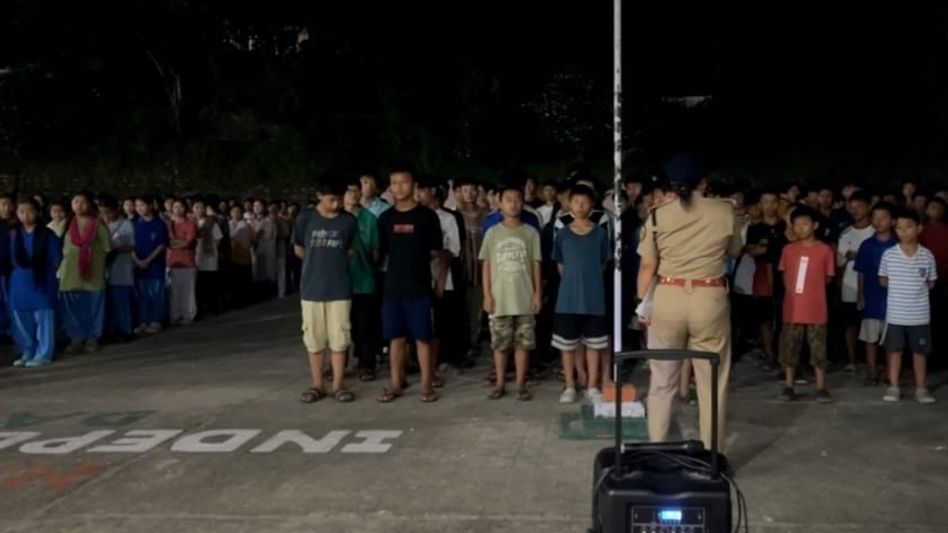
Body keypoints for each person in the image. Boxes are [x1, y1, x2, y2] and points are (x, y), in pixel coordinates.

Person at [636, 154, 743, 451]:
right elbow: (735, 250)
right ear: (704, 183)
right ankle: (712, 456)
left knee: (662, 381)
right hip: (709, 297)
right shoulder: (724, 211)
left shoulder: (658, 215)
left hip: (668, 298)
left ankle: (657, 448)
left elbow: (648, 266)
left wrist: (642, 305)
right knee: (712, 382)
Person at [376, 165, 443, 403]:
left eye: (404, 182)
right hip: (393, 287)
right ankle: (395, 383)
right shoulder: (385, 218)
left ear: (414, 186)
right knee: (396, 338)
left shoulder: (427, 217)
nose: (398, 188)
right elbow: (380, 253)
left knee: (423, 337)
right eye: (394, 183)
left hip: (420, 286)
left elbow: (438, 252)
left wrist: (440, 280)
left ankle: (426, 383)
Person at [293, 181, 358, 403]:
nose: (337, 203)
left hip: (339, 288)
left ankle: (339, 383)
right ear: (319, 195)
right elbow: (299, 248)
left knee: (340, 337)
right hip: (311, 289)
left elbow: (351, 250)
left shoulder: (348, 220)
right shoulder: (305, 218)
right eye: (332, 199)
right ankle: (317, 384)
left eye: (340, 198)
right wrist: (316, 264)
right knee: (314, 337)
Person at [479, 184, 542, 400]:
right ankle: (499, 383)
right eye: (508, 199)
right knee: (500, 344)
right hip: (500, 299)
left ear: (523, 203)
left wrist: (537, 294)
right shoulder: (492, 233)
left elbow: (536, 265)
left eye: (517, 199)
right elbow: (486, 265)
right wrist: (487, 295)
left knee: (523, 344)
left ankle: (520, 385)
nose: (513, 204)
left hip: (524, 298)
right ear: (499, 204)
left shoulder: (530, 232)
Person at [553, 184, 611, 403]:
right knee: (568, 346)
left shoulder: (601, 234)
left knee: (594, 345)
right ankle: (569, 385)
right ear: (569, 204)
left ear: (592, 205)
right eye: (576, 202)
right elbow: (560, 266)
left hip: (594, 298)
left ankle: (592, 386)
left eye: (585, 202)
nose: (580, 206)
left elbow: (603, 264)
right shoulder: (563, 235)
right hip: (567, 300)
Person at [776, 207, 836, 402]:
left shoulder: (824, 250)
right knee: (790, 349)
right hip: (792, 309)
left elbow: (828, 278)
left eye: (805, 224)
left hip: (816, 308)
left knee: (818, 349)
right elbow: (785, 276)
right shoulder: (788, 250)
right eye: (797, 225)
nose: (801, 229)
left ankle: (820, 387)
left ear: (815, 225)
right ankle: (788, 385)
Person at [879, 210, 937, 404]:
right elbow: (883, 279)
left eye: (908, 227)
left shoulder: (927, 255)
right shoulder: (889, 255)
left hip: (919, 315)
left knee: (919, 352)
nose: (903, 232)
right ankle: (893, 386)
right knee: (894, 351)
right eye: (899, 228)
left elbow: (931, 282)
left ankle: (921, 388)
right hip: (896, 315)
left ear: (919, 228)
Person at [9, 198, 61, 368]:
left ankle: (44, 353)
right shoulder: (14, 234)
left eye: (30, 211)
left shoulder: (47, 235)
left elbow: (56, 260)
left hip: (42, 281)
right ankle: (27, 351)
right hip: (19, 282)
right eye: (21, 211)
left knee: (44, 319)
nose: (26, 215)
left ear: (38, 213)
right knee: (22, 320)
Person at [59, 191, 112, 353]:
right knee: (72, 307)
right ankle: (76, 338)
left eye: (83, 202)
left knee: (93, 307)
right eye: (75, 201)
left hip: (93, 273)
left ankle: (92, 338)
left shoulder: (98, 224)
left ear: (90, 204)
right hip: (70, 274)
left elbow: (108, 247)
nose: (79, 205)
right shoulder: (67, 224)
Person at [854, 202, 898, 386]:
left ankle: (890, 373)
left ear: (893, 221)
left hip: (894, 299)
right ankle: (871, 371)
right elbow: (861, 272)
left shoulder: (898, 244)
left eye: (883, 217)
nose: (879, 221)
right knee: (870, 338)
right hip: (872, 297)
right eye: (875, 217)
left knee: (891, 339)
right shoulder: (866, 245)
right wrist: (860, 296)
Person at [343, 180, 381, 382]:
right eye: (349, 190)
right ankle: (340, 365)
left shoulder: (369, 219)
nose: (353, 194)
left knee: (364, 325)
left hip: (364, 281)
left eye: (357, 190)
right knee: (342, 327)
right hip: (340, 283)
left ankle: (367, 363)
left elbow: (376, 252)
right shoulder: (337, 218)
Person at [745, 190, 787, 370]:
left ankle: (786, 354)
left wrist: (765, 248)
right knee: (765, 318)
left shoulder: (786, 226)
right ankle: (769, 353)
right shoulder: (754, 228)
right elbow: (752, 251)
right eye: (766, 202)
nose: (770, 205)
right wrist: (764, 249)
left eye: (773, 201)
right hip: (762, 277)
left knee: (785, 317)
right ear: (760, 205)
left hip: (785, 276)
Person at [835, 191, 874, 374]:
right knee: (850, 324)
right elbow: (841, 260)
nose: (855, 210)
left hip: (871, 286)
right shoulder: (846, 232)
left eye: (859, 206)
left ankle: (871, 361)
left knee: (871, 325)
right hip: (849, 284)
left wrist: (859, 257)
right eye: (852, 207)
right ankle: (851, 360)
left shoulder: (875, 231)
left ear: (868, 207)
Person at [455, 178, 488, 363]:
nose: (469, 194)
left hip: (482, 267)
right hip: (463, 267)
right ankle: (464, 342)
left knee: (477, 306)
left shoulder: (486, 215)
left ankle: (474, 342)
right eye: (465, 190)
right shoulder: (456, 215)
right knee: (463, 307)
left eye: (472, 190)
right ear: (458, 192)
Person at [132, 196, 169, 334]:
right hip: (138, 265)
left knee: (156, 292)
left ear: (150, 205)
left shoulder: (159, 224)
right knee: (142, 294)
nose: (139, 208)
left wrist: (148, 260)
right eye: (137, 206)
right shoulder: (135, 224)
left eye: (142, 205)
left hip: (155, 265)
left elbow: (162, 244)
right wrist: (137, 260)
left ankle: (156, 320)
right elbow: (130, 245)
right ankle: (143, 321)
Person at [101, 197, 136, 342]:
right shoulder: (101, 225)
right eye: (103, 212)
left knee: (121, 301)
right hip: (104, 269)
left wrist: (115, 250)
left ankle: (125, 330)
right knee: (107, 302)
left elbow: (131, 245)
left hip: (121, 267)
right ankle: (109, 330)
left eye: (108, 212)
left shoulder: (126, 224)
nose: (106, 216)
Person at [919, 197, 948, 370]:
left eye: (939, 207)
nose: (936, 209)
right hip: (927, 283)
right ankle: (929, 359)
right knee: (929, 322)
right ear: (926, 210)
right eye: (932, 206)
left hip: (945, 281)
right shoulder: (922, 231)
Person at [166, 199, 198, 325]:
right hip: (172, 262)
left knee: (188, 291)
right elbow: (167, 243)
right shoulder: (169, 224)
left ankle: (188, 315)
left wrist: (176, 243)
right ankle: (175, 315)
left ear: (185, 209)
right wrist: (180, 242)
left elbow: (188, 242)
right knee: (174, 291)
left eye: (180, 207)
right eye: (175, 207)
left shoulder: (190, 224)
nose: (177, 209)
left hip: (187, 262)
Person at [194, 198, 223, 318]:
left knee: (210, 283)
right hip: (196, 256)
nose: (198, 210)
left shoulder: (212, 222)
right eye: (196, 207)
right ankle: (199, 308)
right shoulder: (192, 222)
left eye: (201, 207)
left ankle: (213, 308)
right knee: (198, 285)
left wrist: (210, 247)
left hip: (209, 257)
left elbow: (218, 238)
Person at [250, 199, 277, 301]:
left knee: (265, 271)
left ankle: (266, 295)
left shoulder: (268, 220)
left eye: (259, 205)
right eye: (254, 206)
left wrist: (254, 235)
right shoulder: (252, 220)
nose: (256, 208)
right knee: (256, 272)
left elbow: (259, 234)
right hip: (255, 250)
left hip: (266, 249)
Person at [228, 205, 254, 308]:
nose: (235, 214)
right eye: (233, 211)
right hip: (231, 254)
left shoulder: (245, 225)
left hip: (243, 254)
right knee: (234, 279)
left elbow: (252, 239)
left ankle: (245, 300)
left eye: (238, 212)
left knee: (243, 278)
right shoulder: (228, 224)